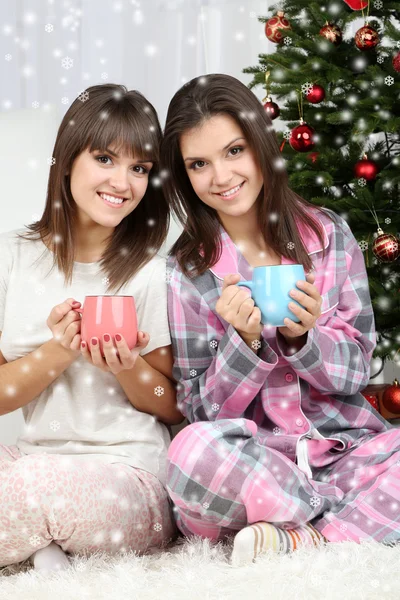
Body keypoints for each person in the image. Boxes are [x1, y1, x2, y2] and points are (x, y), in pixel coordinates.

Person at [160, 73, 400, 566]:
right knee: (190, 452)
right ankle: (343, 523)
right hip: (257, 466)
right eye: (198, 164)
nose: (221, 177)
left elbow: (357, 369)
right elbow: (199, 410)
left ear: (260, 145)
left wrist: (303, 338)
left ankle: (308, 537)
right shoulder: (187, 272)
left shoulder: (329, 234)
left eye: (233, 151)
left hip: (342, 452)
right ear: (184, 175)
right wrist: (243, 343)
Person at [0, 84, 184, 574]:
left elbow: (171, 405)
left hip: (127, 477)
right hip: (32, 460)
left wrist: (128, 368)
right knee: (26, 480)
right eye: (105, 159)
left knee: (28, 489)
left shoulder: (151, 271)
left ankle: (38, 539)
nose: (123, 182)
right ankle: (43, 545)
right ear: (67, 159)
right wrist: (55, 354)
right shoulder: (12, 256)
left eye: (140, 168)